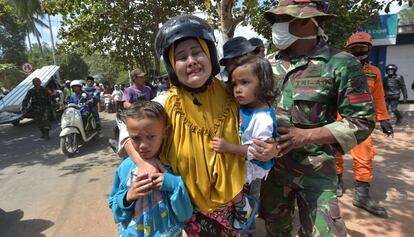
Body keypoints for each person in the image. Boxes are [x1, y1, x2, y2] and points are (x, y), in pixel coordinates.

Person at [118, 15, 257, 236]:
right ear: (172, 66)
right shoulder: (165, 103)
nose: (191, 60)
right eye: (181, 57)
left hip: (236, 199)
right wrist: (142, 163)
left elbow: (263, 120)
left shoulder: (235, 93)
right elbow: (126, 131)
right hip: (192, 208)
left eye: (197, 52)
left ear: (210, 54)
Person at [253, 1, 377, 236]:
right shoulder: (266, 65)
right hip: (273, 174)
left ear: (305, 22)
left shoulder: (341, 63)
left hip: (316, 172)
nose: (277, 27)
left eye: (282, 19)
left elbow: (362, 121)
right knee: (275, 231)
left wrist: (306, 136)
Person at [109, 101, 193, 237]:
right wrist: (128, 197)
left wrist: (172, 184)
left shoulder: (173, 165)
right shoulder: (125, 167)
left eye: (151, 137)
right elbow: (116, 210)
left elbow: (185, 214)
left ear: (165, 132)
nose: (142, 145)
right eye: (135, 138)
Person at [334, 32, 393, 218]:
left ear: (369, 50)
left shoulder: (374, 72)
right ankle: (336, 181)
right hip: (337, 118)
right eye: (354, 49)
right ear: (348, 50)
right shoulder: (337, 68)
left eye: (362, 49)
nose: (358, 53)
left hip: (361, 121)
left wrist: (384, 118)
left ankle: (361, 195)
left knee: (365, 155)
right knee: (335, 153)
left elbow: (378, 97)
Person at [212, 54, 278, 201]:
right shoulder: (247, 106)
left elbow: (257, 152)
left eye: (244, 82)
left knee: (247, 200)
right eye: (234, 84)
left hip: (254, 169)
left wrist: (228, 147)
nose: (237, 89)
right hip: (243, 162)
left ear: (263, 83)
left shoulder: (263, 119)